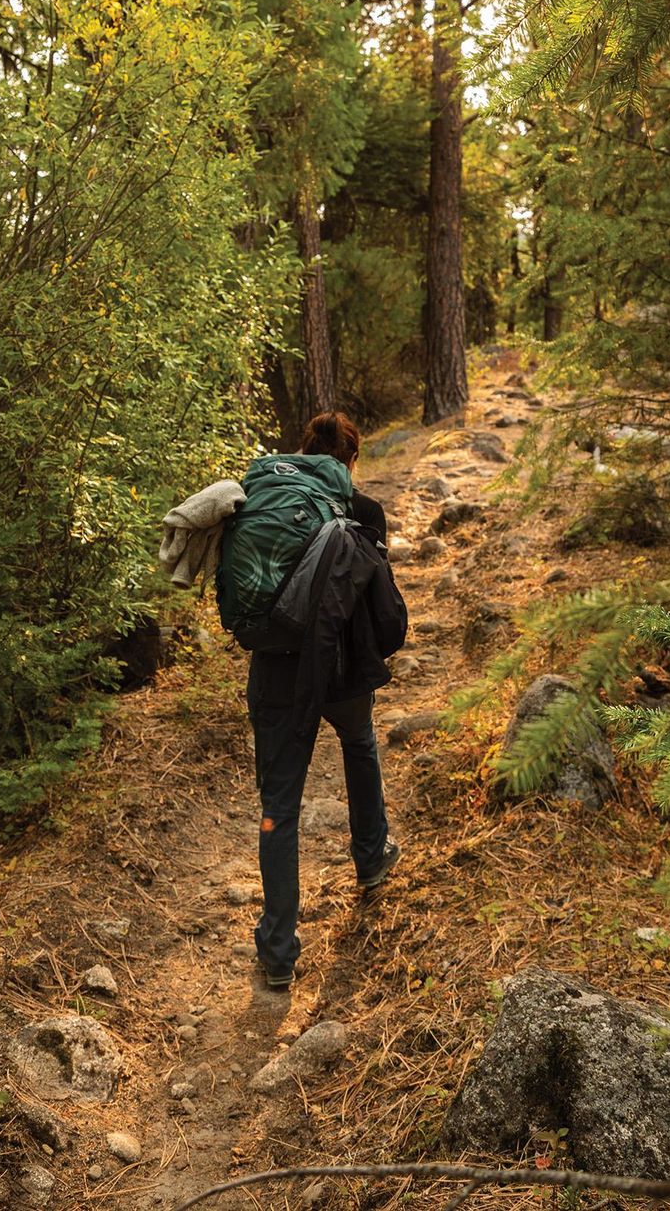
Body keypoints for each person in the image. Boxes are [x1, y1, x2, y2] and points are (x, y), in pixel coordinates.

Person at [247, 410, 402, 990]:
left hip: (278, 671)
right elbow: (383, 607)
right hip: (340, 666)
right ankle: (370, 858)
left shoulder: (264, 506)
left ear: (304, 454)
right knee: (360, 744)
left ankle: (279, 952)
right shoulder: (364, 512)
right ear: (351, 459)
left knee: (280, 803)